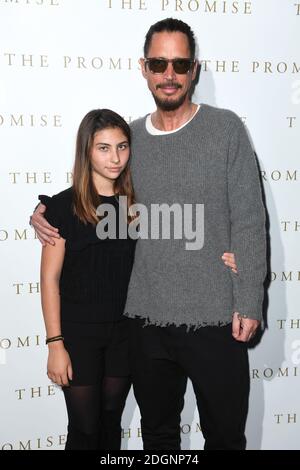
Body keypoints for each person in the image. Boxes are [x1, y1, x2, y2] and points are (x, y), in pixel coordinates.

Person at [30, 17, 260, 450]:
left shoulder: (226, 128)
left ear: (194, 69)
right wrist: (44, 210)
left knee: (226, 437)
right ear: (144, 68)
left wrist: (248, 297)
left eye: (179, 63)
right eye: (158, 63)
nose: (168, 75)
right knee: (157, 437)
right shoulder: (130, 139)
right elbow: (91, 187)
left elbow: (250, 217)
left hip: (216, 317)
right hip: (144, 322)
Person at [39, 109, 137, 450]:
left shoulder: (136, 205)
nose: (116, 158)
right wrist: (55, 344)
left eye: (122, 147)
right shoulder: (63, 207)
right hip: (79, 335)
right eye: (104, 148)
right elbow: (49, 280)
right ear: (87, 151)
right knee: (85, 430)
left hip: (125, 333)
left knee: (111, 423)